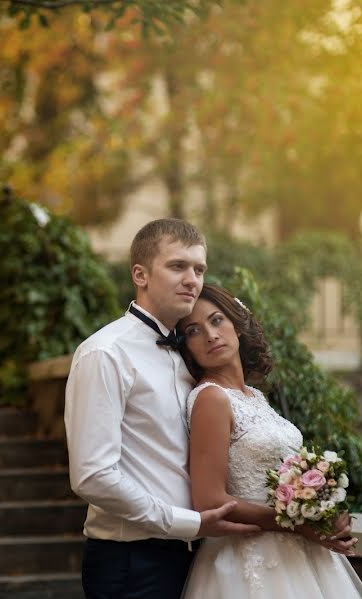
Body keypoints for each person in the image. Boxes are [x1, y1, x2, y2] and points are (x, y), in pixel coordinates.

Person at [65, 219, 260, 599]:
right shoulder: (106, 353)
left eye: (199, 269)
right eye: (177, 266)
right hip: (132, 562)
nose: (192, 279)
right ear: (140, 274)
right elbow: (92, 476)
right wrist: (184, 522)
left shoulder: (192, 359)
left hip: (195, 557)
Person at [177, 283, 362, 599]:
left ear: (237, 326)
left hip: (296, 555)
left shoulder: (254, 396)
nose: (210, 335)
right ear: (188, 348)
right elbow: (209, 501)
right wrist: (299, 526)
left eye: (216, 320)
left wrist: (323, 510)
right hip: (249, 560)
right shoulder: (210, 399)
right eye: (193, 331)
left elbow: (283, 481)